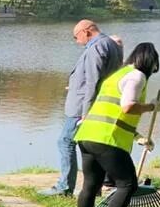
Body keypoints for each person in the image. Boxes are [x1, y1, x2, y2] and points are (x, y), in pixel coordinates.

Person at [72, 43, 160, 207]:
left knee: (91, 184)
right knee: (128, 184)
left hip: (88, 135)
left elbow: (112, 113)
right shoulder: (137, 76)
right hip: (107, 139)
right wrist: (152, 107)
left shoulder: (117, 75)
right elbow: (127, 106)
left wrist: (139, 137)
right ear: (149, 62)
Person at [40, 19, 123, 197]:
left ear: (86, 31)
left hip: (83, 108)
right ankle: (95, 187)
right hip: (101, 104)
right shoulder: (112, 44)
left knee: (65, 141)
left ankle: (64, 187)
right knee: (91, 146)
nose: (77, 41)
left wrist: (86, 112)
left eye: (76, 36)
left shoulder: (96, 47)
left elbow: (93, 81)